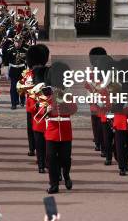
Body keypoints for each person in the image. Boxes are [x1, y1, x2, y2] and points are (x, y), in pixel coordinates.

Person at [42, 62, 77, 194]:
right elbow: (39, 113)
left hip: (65, 130)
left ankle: (66, 175)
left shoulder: (67, 94)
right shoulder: (46, 94)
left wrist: (63, 102)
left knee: (65, 158)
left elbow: (74, 109)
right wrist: (47, 108)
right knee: (51, 158)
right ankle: (54, 184)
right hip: (51, 131)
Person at [3, 34, 27, 110]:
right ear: (14, 42)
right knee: (13, 88)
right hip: (13, 70)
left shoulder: (25, 49)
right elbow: (6, 61)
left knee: (22, 87)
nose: (18, 43)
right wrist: (6, 71)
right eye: (16, 42)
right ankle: (14, 103)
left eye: (19, 42)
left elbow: (28, 61)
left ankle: (22, 100)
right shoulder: (10, 50)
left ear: (21, 42)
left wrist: (28, 70)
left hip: (22, 70)